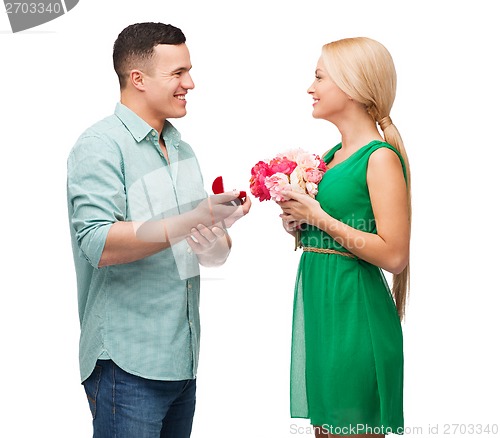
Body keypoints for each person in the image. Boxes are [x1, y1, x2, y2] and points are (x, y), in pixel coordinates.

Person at [66, 22, 251, 438]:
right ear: (138, 79)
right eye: (178, 73)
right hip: (126, 367)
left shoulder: (182, 149)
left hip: (181, 362)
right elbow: (98, 243)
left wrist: (219, 229)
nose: (191, 83)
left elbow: (208, 253)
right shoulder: (100, 145)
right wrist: (193, 218)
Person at [279, 37, 411, 437]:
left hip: (355, 317)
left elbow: (393, 256)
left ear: (352, 86)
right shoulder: (332, 154)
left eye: (319, 77)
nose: (310, 87)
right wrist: (298, 225)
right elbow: (339, 234)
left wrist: (318, 217)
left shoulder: (379, 158)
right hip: (324, 313)